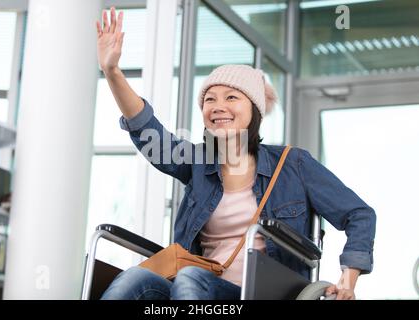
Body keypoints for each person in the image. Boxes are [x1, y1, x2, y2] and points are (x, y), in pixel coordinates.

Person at [95, 8, 376, 300]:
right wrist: (112, 71)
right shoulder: (197, 163)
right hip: (196, 286)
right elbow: (147, 130)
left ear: (254, 110)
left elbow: (359, 214)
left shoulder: (293, 163)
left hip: (264, 293)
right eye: (210, 99)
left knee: (191, 279)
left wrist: (349, 278)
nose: (218, 106)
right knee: (135, 278)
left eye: (231, 97)